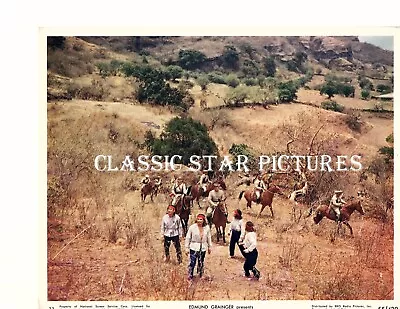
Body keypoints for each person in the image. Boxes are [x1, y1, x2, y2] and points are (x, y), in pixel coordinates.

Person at [185, 213, 212, 282]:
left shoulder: (207, 228)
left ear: (203, 220)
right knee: (192, 262)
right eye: (198, 219)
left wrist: (209, 247)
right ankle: (190, 275)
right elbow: (188, 238)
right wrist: (186, 248)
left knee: (201, 262)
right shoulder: (192, 227)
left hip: (202, 247)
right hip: (194, 247)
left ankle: (200, 274)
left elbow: (209, 237)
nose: (199, 221)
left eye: (201, 219)